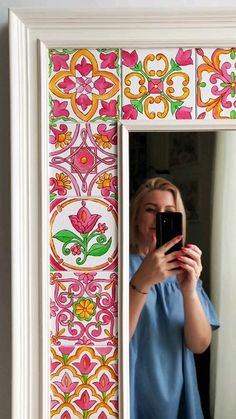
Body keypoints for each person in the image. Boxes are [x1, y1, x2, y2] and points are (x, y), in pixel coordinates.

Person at [129, 177, 219, 419]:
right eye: (150, 210)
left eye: (169, 212)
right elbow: (109, 341)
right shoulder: (118, 270)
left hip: (178, 395)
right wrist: (143, 281)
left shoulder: (185, 271)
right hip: (131, 391)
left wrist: (189, 290)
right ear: (136, 219)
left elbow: (199, 344)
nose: (160, 217)